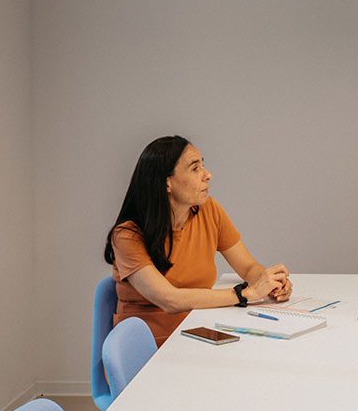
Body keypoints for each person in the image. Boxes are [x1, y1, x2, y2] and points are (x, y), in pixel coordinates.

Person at [104, 136, 291, 347]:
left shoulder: (209, 210)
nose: (208, 175)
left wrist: (269, 283)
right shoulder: (127, 235)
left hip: (198, 332)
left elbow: (247, 267)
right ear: (167, 183)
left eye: (203, 165)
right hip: (147, 348)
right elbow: (169, 300)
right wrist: (245, 293)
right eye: (195, 168)